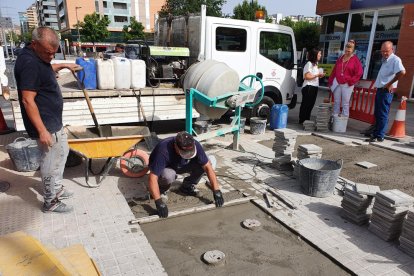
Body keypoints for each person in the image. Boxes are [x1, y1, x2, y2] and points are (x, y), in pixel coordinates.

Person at [14, 27, 81, 213]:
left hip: (52, 120)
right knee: (51, 161)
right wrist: (42, 130)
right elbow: (27, 100)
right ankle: (50, 202)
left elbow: (43, 70)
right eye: (48, 53)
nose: (51, 56)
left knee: (62, 153)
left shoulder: (37, 56)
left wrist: (61, 66)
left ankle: (57, 188)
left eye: (54, 53)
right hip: (45, 124)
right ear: (34, 44)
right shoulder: (29, 63)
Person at [148, 131, 224, 218]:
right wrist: (158, 202)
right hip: (167, 167)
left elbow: (207, 167)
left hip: (182, 164)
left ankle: (187, 186)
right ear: (175, 146)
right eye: (185, 152)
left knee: (206, 163)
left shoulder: (195, 144)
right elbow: (152, 178)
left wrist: (216, 190)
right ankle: (161, 190)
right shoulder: (163, 151)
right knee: (168, 176)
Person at [368, 41, 405, 142]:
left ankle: (380, 135)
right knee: (378, 113)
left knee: (382, 113)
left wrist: (389, 84)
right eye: (382, 51)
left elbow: (402, 72)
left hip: (386, 90)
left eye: (386, 51)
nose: (384, 53)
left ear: (392, 49)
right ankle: (376, 133)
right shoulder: (385, 59)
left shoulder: (395, 60)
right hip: (380, 89)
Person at [328, 40, 363, 117]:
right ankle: (335, 118)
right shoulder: (340, 58)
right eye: (347, 48)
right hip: (337, 83)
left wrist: (351, 81)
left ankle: (343, 121)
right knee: (336, 101)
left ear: (353, 50)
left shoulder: (355, 60)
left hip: (347, 84)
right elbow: (334, 70)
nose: (347, 50)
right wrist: (330, 81)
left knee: (345, 103)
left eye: (350, 49)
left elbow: (359, 72)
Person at [299, 48, 325, 124]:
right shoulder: (309, 64)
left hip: (314, 86)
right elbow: (307, 76)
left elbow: (313, 76)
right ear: (315, 55)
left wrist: (319, 75)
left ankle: (307, 120)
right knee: (306, 104)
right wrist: (317, 75)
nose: (320, 55)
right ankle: (302, 120)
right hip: (308, 87)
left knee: (311, 104)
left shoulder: (316, 64)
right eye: (319, 54)